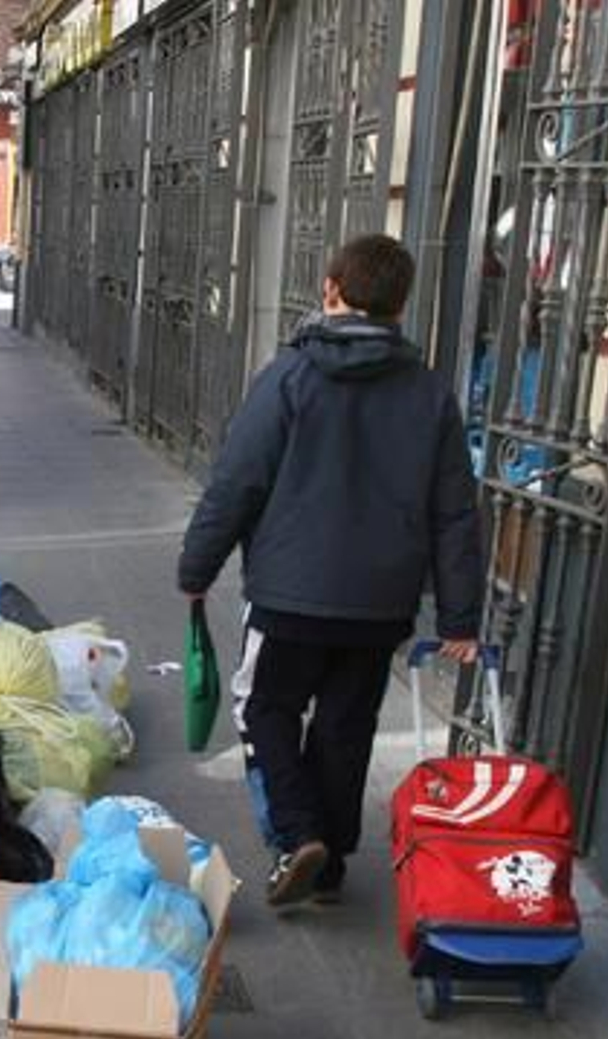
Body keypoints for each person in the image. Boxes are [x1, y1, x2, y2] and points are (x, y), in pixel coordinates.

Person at [177, 233, 483, 908]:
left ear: (331, 290)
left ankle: (297, 835)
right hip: (380, 605)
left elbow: (237, 481)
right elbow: (455, 512)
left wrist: (197, 566)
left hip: (290, 594)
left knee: (263, 707)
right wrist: (460, 616)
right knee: (347, 728)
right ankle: (330, 865)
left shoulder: (289, 376)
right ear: (401, 306)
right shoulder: (430, 394)